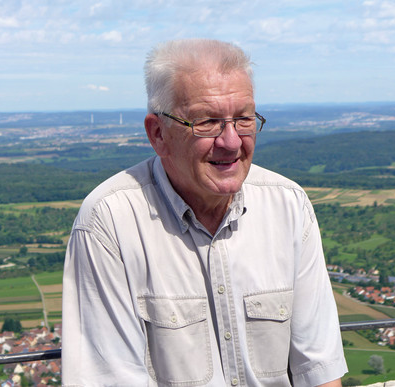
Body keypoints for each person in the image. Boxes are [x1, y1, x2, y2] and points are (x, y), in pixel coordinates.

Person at [62, 38, 347, 386]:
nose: (231, 141)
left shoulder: (288, 205)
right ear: (158, 134)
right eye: (207, 122)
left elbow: (319, 371)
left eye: (243, 119)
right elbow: (110, 379)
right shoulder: (109, 221)